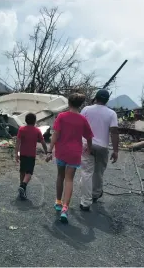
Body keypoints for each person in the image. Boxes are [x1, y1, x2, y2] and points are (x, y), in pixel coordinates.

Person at [46, 93, 93, 223]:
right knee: (69, 180)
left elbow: (55, 134)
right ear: (80, 105)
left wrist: (50, 150)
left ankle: (58, 202)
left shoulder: (61, 116)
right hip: (75, 153)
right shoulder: (82, 119)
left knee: (60, 176)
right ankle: (65, 209)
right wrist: (89, 148)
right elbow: (89, 137)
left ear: (68, 103)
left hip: (61, 151)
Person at [79, 89, 119, 211]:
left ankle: (85, 202)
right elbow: (114, 132)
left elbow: (79, 125)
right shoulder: (112, 113)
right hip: (102, 147)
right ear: (107, 100)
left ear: (95, 98)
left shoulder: (86, 109)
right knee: (98, 172)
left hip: (86, 144)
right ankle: (95, 194)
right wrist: (116, 150)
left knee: (86, 172)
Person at [14, 112, 48, 200]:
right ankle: (23, 186)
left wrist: (16, 154)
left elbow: (18, 142)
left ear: (25, 120)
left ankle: (21, 187)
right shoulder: (37, 130)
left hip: (23, 154)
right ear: (35, 121)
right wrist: (47, 152)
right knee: (29, 173)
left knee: (22, 171)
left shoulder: (21, 129)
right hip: (31, 155)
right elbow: (43, 142)